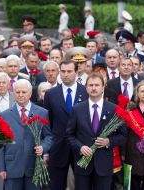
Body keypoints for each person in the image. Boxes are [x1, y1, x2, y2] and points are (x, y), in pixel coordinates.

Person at [66, 72, 128, 190]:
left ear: (103, 87)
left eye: (97, 85)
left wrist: (108, 141)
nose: (93, 88)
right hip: (82, 166)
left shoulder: (113, 109)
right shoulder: (77, 109)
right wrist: (80, 147)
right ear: (86, 87)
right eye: (91, 85)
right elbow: (69, 135)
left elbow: (123, 135)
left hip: (104, 165)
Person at [0, 79, 52, 190]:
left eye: (24, 92)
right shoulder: (4, 115)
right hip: (12, 167)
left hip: (34, 166)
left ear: (30, 93)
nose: (21, 95)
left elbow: (49, 136)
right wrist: (1, 168)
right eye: (18, 92)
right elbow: (0, 144)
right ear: (13, 93)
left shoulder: (42, 112)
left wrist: (43, 147)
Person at [43, 60, 88, 190]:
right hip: (58, 146)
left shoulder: (85, 92)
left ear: (76, 72)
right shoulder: (51, 94)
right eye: (63, 71)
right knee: (56, 185)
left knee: (82, 184)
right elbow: (48, 122)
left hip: (81, 146)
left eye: (69, 71)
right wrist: (47, 149)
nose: (66, 74)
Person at [125, 80, 144, 190]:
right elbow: (124, 132)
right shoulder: (130, 110)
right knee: (132, 184)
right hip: (132, 153)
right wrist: (123, 152)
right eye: (142, 91)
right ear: (137, 94)